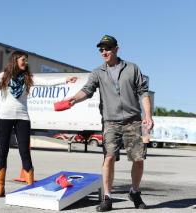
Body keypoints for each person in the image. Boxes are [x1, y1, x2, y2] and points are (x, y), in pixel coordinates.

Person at [0, 50, 77, 198]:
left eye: (26, 60)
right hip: (3, 118)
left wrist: (66, 80)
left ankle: (30, 186)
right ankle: (0, 188)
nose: (25, 62)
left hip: (22, 118)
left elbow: (47, 83)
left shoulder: (28, 77)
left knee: (24, 152)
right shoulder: (3, 76)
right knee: (2, 151)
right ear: (15, 60)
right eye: (23, 60)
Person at [65, 35, 153, 212]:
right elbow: (87, 90)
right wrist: (74, 99)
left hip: (133, 120)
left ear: (116, 49)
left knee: (138, 159)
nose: (104, 52)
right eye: (101, 49)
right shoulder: (98, 72)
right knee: (109, 157)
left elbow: (143, 93)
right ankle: (107, 198)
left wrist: (148, 116)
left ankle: (134, 192)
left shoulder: (132, 68)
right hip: (110, 121)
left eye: (108, 48)